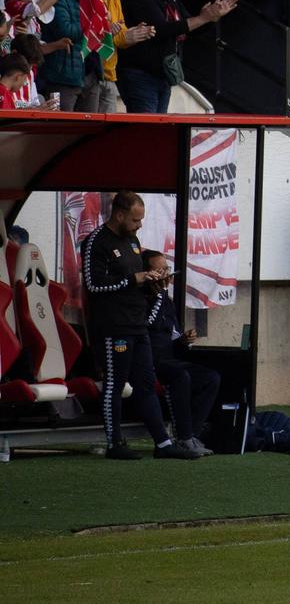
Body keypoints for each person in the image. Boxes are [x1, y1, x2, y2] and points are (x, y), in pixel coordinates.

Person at [83, 192, 195, 459]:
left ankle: (163, 444)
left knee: (146, 383)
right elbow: (93, 284)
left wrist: (153, 282)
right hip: (113, 326)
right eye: (135, 219)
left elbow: (136, 281)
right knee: (116, 383)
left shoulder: (132, 241)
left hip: (137, 324)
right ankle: (115, 444)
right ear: (119, 214)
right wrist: (134, 278)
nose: (139, 225)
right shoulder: (96, 241)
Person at [115, 0, 238, 114]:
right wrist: (202, 18)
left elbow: (190, 27)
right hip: (141, 76)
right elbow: (162, 30)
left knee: (157, 129)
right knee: (145, 130)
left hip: (162, 78)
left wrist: (211, 18)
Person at [142, 251, 219, 455]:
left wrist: (184, 341)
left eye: (166, 269)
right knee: (180, 376)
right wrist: (156, 294)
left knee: (211, 378)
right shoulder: (142, 298)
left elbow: (172, 338)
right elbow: (146, 325)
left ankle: (191, 435)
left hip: (169, 357)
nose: (166, 274)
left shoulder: (166, 300)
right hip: (149, 360)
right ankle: (183, 437)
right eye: (160, 271)